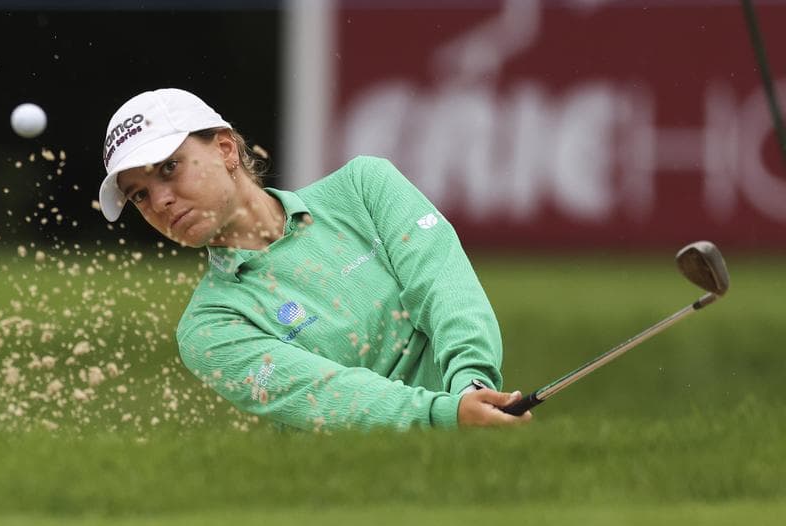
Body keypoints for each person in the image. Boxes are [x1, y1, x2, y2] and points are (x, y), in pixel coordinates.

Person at [98, 88, 532, 430]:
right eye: (140, 195)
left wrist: (472, 385)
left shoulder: (365, 186)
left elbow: (444, 289)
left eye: (169, 168)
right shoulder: (207, 328)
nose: (160, 201)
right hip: (362, 491)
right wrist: (447, 414)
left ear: (226, 149)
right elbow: (328, 395)